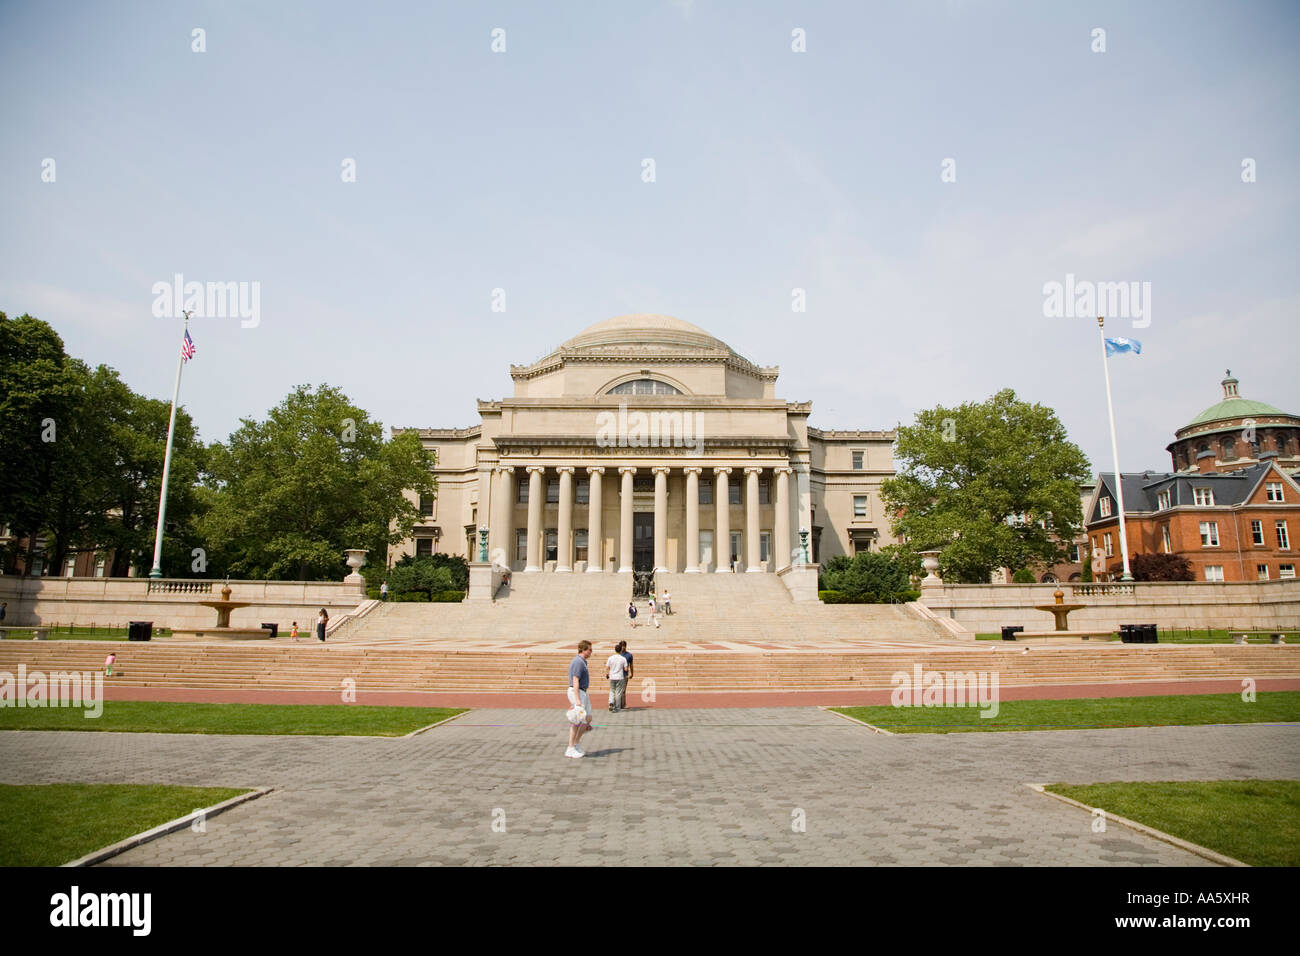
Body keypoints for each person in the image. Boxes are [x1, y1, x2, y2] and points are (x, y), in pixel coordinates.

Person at [566, 640, 594, 758]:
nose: (591, 652)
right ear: (583, 650)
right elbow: (575, 680)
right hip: (577, 691)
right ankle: (571, 747)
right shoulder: (578, 662)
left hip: (582, 692)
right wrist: (577, 700)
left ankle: (575, 744)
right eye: (589, 650)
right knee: (577, 720)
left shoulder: (583, 662)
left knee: (587, 718)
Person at [605, 642, 628, 713]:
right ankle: (617, 707)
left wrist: (607, 674)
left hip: (612, 676)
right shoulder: (623, 659)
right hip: (620, 677)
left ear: (615, 650)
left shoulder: (610, 658)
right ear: (621, 650)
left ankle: (611, 702)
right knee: (618, 692)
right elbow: (626, 669)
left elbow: (607, 667)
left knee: (612, 690)